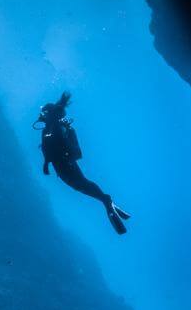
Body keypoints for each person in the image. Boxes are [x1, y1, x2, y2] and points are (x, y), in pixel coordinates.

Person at [34, 92, 130, 235]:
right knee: (83, 184)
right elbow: (50, 151)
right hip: (67, 165)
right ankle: (105, 199)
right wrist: (46, 164)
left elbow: (53, 150)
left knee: (82, 186)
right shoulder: (54, 128)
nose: (41, 116)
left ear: (48, 114)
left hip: (65, 167)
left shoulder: (53, 128)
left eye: (43, 113)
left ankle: (106, 200)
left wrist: (47, 164)